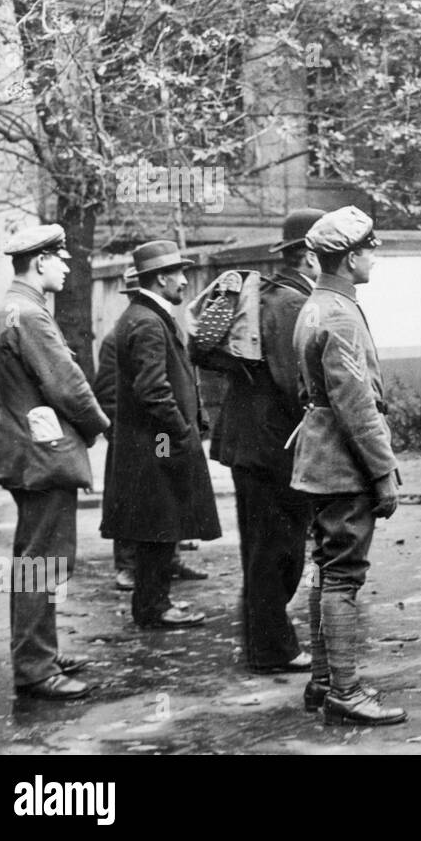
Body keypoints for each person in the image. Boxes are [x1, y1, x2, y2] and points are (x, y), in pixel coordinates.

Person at [0, 225, 110, 700]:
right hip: (43, 454)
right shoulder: (32, 315)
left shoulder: (8, 310)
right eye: (60, 258)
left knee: (34, 559)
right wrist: (99, 426)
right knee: (44, 561)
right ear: (39, 263)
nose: (66, 266)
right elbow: (66, 383)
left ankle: (40, 652)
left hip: (25, 449)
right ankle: (35, 666)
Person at [291, 206, 405, 725]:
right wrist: (382, 471)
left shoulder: (315, 305)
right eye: (370, 251)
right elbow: (356, 403)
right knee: (344, 576)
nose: (374, 260)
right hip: (343, 461)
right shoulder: (338, 312)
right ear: (351, 256)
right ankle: (345, 689)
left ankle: (322, 680)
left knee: (325, 569)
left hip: (319, 456)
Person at [207, 209, 324, 674]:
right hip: (271, 447)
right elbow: (295, 383)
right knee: (276, 550)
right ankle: (272, 649)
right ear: (310, 256)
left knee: (266, 548)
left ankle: (264, 642)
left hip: (252, 443)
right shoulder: (292, 304)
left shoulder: (273, 295)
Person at [101, 240, 221, 630]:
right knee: (158, 521)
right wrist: (180, 434)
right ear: (161, 277)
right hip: (157, 441)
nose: (185, 282)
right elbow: (153, 391)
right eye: (179, 274)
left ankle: (156, 601)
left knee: (161, 520)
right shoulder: (148, 322)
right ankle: (153, 607)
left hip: (155, 441)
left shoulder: (146, 316)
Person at [94, 270, 204, 592]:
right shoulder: (129, 331)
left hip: (158, 435)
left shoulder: (157, 322)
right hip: (144, 435)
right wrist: (124, 434)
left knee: (163, 495)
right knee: (142, 499)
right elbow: (109, 391)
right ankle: (130, 568)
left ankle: (167, 560)